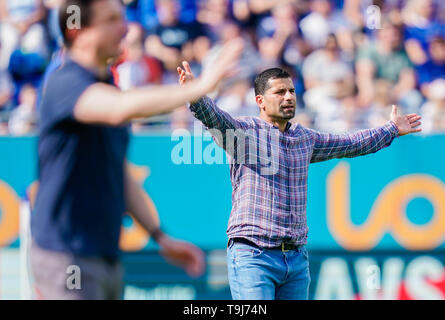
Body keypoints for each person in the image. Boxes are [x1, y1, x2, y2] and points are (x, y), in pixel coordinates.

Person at [30, 0, 243, 300]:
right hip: (66, 260)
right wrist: (200, 86)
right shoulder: (65, 82)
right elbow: (120, 109)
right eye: (112, 19)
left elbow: (117, 174)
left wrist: (160, 237)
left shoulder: (105, 87)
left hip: (103, 256)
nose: (126, 28)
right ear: (79, 31)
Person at [177, 63, 422, 300]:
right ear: (260, 101)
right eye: (280, 92)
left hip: (295, 260)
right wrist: (195, 93)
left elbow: (351, 143)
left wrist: (390, 129)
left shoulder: (304, 138)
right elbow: (214, 118)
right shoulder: (245, 133)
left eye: (292, 91)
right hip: (253, 255)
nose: (288, 97)